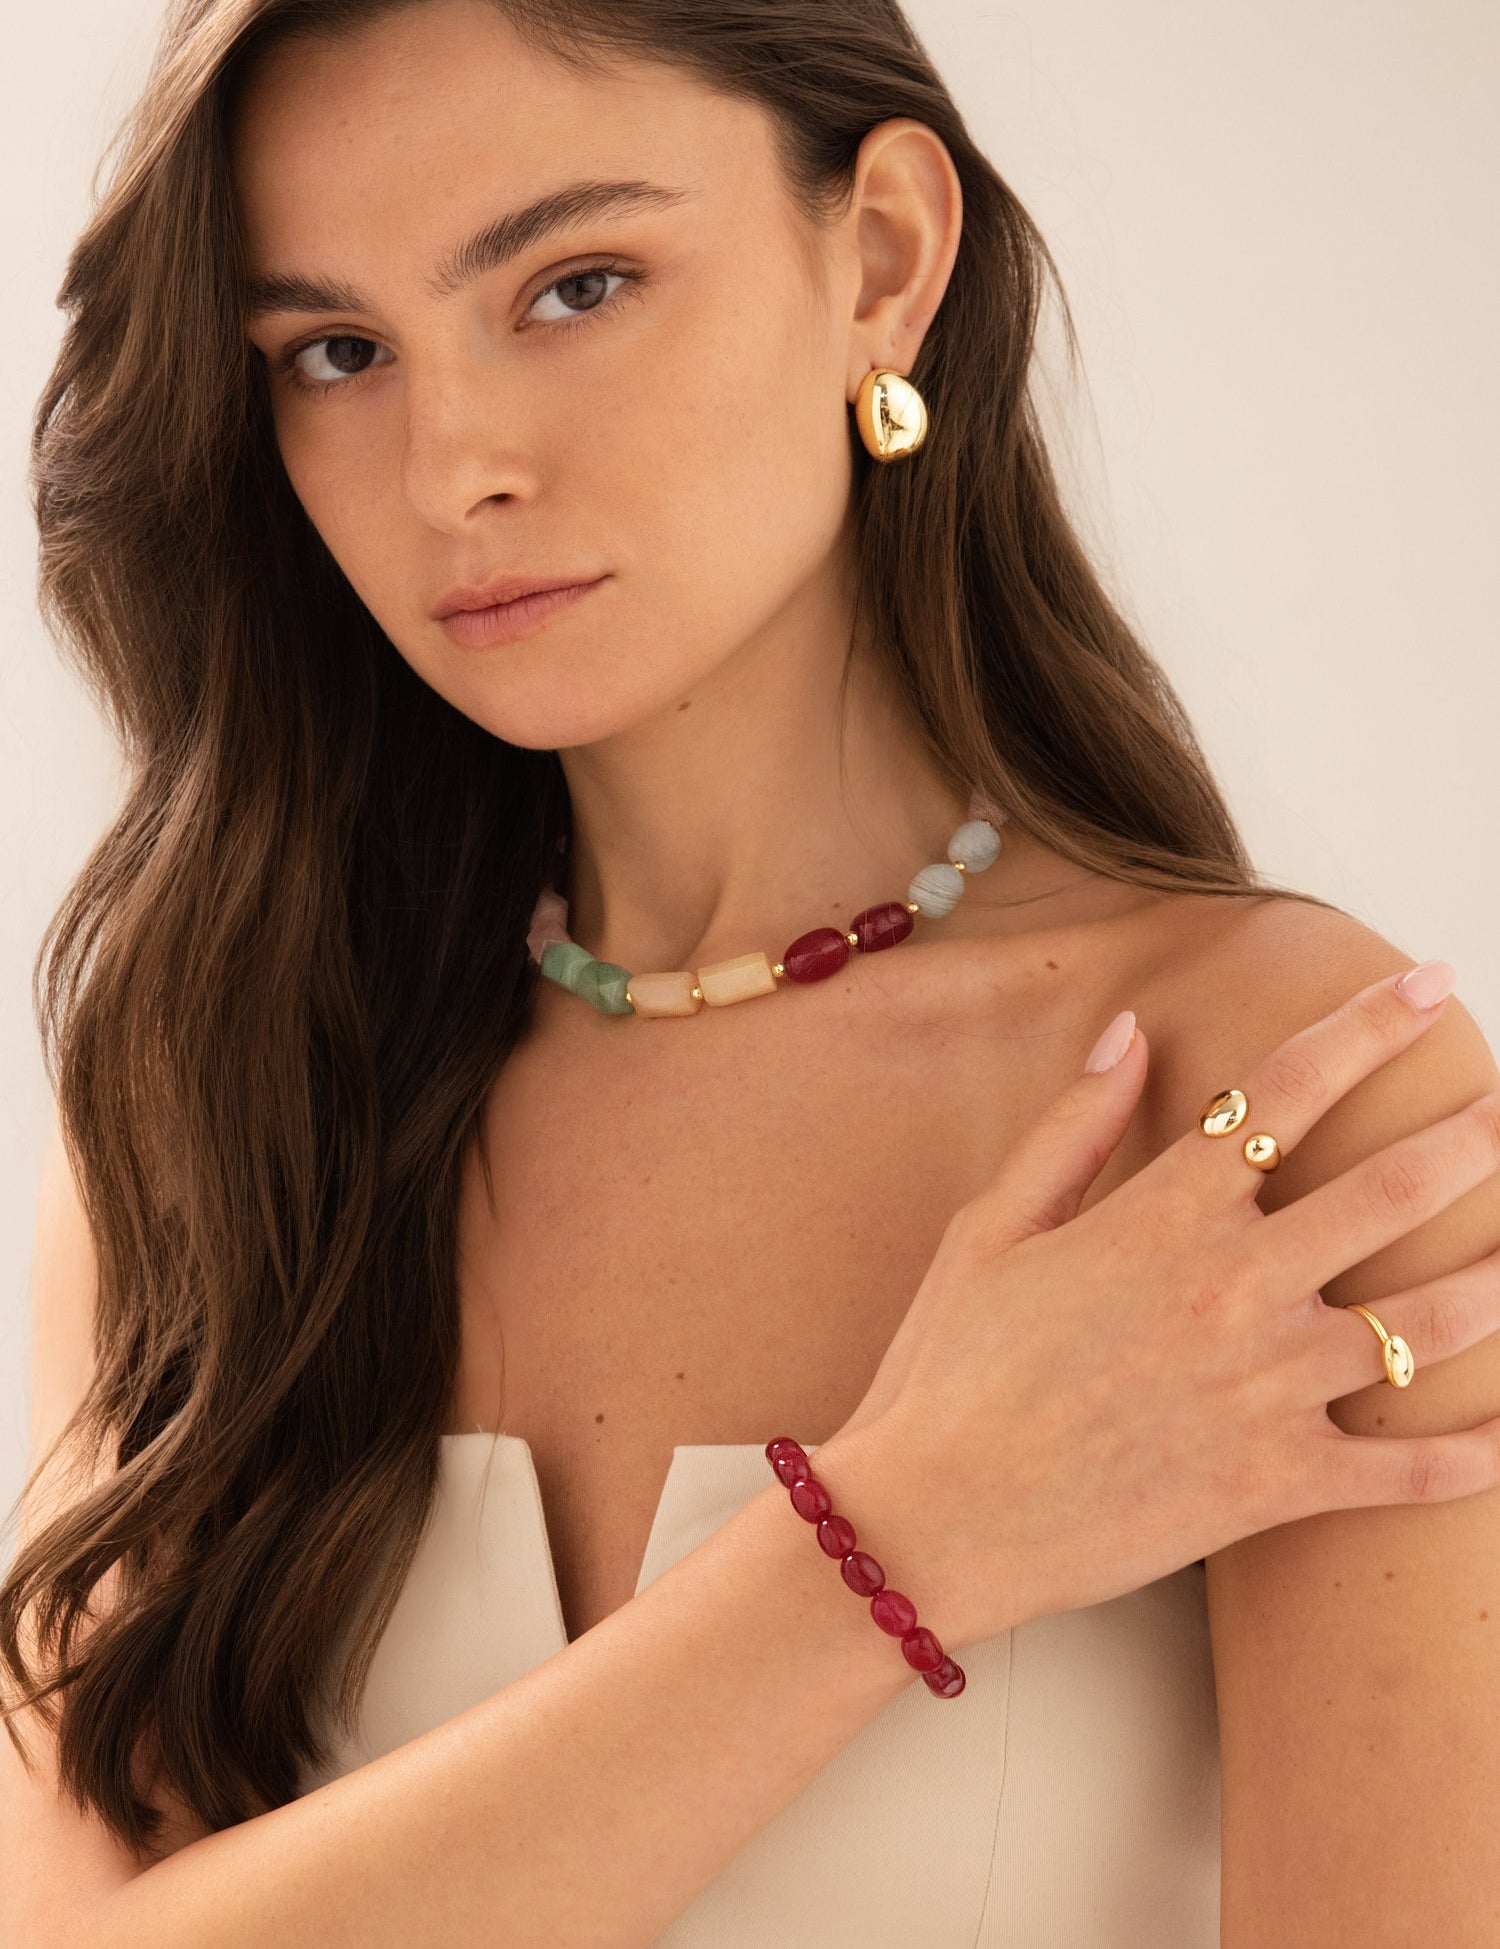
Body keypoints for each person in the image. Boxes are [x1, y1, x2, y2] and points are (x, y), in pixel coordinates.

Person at [3, 0, 1499, 1942]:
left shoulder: (1282, 1102)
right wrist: (903, 1533)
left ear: (882, 259)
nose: (452, 466)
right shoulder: (218, 1107)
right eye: (337, 353)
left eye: (575, 285)